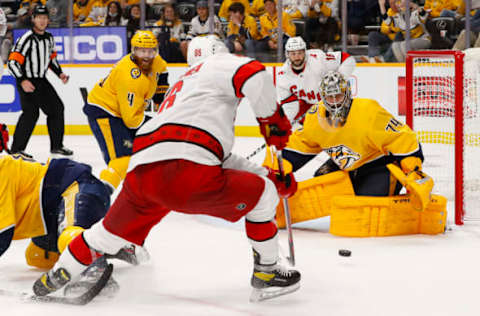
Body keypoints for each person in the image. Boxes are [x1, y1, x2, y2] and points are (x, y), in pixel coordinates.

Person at [33, 35, 301, 303]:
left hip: (144, 171)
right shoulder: (217, 63)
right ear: (219, 51)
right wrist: (272, 121)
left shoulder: (184, 88)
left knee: (106, 234)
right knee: (264, 195)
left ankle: (57, 274)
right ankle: (267, 272)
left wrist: (265, 174)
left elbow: (216, 157)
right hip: (186, 170)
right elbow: (254, 73)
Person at [282, 70, 424, 195]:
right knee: (320, 188)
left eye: (338, 96)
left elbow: (401, 137)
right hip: (346, 165)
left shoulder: (368, 111)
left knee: (367, 201)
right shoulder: (315, 117)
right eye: (330, 97)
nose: (334, 102)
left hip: (379, 164)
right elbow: (300, 145)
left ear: (347, 93)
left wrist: (413, 169)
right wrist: (280, 169)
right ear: (323, 97)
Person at [0, 125, 111, 269]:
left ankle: (98, 264)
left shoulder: (2, 171)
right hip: (52, 213)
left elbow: (4, 232)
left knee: (70, 239)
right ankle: (105, 243)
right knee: (38, 256)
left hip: (78, 187)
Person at [83, 30, 169, 193]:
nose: (147, 55)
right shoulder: (131, 78)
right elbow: (131, 120)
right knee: (122, 160)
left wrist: (159, 96)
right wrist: (156, 123)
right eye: (142, 51)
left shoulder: (155, 61)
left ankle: (145, 188)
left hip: (123, 112)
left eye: (151, 50)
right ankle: (97, 193)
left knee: (140, 150)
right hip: (104, 112)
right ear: (134, 50)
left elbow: (162, 71)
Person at [7, 5, 73, 160]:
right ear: (33, 19)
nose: (42, 21)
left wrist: (60, 73)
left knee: (57, 109)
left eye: (45, 18)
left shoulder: (49, 38)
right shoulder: (26, 39)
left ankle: (57, 146)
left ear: (48, 20)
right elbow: (12, 63)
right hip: (27, 80)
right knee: (31, 113)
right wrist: (22, 80)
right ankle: (16, 150)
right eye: (39, 18)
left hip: (41, 80)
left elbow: (51, 58)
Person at [276, 36, 356, 123]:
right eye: (293, 54)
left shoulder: (318, 58)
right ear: (287, 54)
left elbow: (347, 59)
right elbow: (289, 106)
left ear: (305, 52)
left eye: (300, 53)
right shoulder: (283, 76)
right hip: (310, 107)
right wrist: (284, 124)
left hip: (332, 101)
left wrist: (340, 78)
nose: (297, 57)